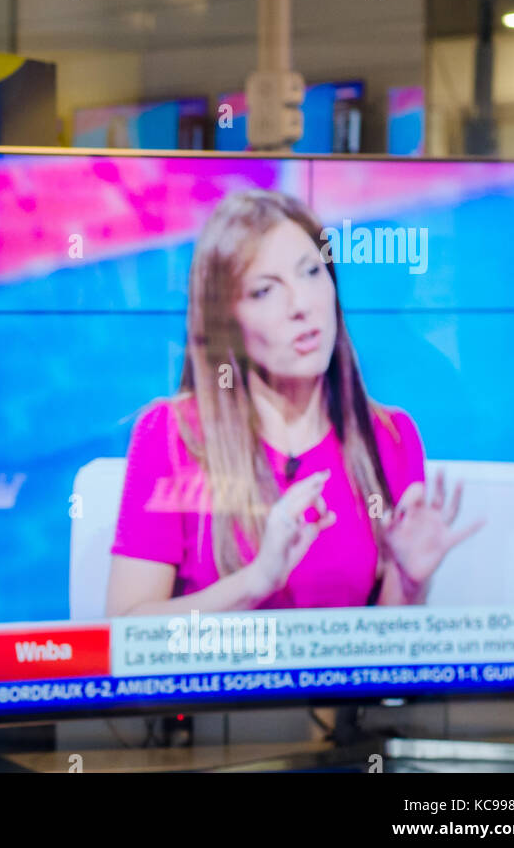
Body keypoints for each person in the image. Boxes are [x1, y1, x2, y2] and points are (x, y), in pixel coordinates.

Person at [106, 189, 483, 616]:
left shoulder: (390, 438)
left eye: (311, 273)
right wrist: (256, 582)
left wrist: (411, 584)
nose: (301, 305)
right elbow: (126, 630)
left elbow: (381, 655)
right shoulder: (172, 437)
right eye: (265, 291)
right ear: (226, 322)